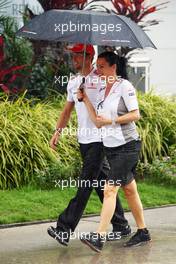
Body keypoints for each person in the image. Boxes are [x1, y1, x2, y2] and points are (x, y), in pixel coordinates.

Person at [47, 44, 131, 246]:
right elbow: (67, 110)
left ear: (89, 56)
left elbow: (112, 104)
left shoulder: (101, 79)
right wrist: (57, 132)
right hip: (84, 141)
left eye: (77, 55)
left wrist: (88, 93)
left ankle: (64, 228)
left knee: (85, 184)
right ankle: (121, 225)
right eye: (73, 55)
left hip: (99, 140)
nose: (74, 59)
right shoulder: (73, 82)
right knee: (101, 184)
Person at [78, 51, 151, 252]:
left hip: (127, 146)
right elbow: (97, 122)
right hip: (111, 147)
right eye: (96, 66)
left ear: (113, 66)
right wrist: (85, 100)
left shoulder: (124, 86)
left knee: (109, 189)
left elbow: (136, 115)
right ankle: (143, 231)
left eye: (101, 66)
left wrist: (111, 120)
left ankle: (99, 238)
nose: (97, 70)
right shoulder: (102, 90)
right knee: (129, 189)